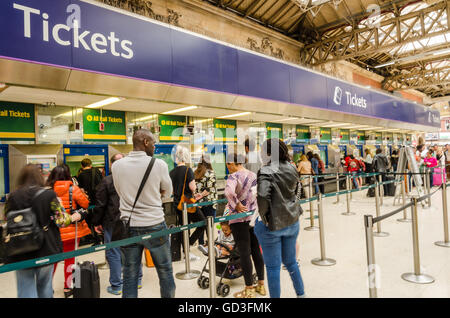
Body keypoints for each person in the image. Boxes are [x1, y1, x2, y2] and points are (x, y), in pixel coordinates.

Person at [112, 129, 175, 298]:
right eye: (153, 143)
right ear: (145, 142)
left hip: (128, 226)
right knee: (165, 270)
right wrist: (155, 194)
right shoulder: (159, 164)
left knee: (130, 274)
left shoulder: (117, 166)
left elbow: (120, 192)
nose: (155, 146)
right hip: (155, 224)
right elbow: (168, 193)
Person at [4, 164, 79, 298]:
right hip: (45, 248)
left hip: (19, 249)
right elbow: (62, 220)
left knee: (25, 287)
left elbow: (7, 219)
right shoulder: (48, 195)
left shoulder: (13, 196)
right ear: (39, 177)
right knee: (45, 286)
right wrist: (74, 216)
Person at [255, 139, 305, 298]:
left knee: (273, 267)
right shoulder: (292, 167)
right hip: (292, 221)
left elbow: (263, 196)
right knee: (291, 262)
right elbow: (296, 192)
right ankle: (301, 294)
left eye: (263, 152)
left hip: (273, 225)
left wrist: (264, 218)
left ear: (269, 154)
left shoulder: (266, 170)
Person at [92, 153, 143, 296]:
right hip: (133, 220)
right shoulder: (134, 180)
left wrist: (96, 222)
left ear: (112, 165)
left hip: (112, 221)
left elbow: (100, 204)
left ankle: (117, 286)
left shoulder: (107, 181)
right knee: (134, 249)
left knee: (113, 253)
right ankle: (137, 280)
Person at [46, 165, 90, 298]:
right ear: (67, 174)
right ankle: (68, 287)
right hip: (71, 230)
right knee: (70, 259)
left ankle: (47, 288)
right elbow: (86, 203)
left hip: (54, 231)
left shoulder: (48, 191)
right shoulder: (73, 189)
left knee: (52, 261)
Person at [225, 153, 265, 298]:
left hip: (239, 220)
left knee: (244, 252)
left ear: (233, 163)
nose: (227, 166)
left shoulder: (233, 176)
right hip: (253, 218)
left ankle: (249, 289)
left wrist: (236, 205)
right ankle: (261, 285)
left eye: (228, 163)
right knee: (256, 250)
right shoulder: (253, 175)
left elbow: (229, 191)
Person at [170, 146, 205, 260]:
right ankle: (188, 245)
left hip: (177, 204)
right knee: (203, 223)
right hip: (188, 204)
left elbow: (171, 190)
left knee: (184, 227)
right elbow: (192, 187)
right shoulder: (187, 170)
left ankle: (186, 252)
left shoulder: (172, 172)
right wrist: (195, 192)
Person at [76, 158, 104, 245]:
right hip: (99, 200)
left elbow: (81, 190)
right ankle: (103, 237)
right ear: (90, 164)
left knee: (90, 220)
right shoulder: (97, 171)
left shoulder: (81, 175)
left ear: (82, 165)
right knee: (99, 219)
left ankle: (95, 238)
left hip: (88, 202)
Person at [194, 154, 218, 246]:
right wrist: (201, 195)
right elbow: (209, 190)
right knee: (210, 224)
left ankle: (200, 243)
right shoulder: (211, 173)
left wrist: (197, 197)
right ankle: (210, 242)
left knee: (201, 223)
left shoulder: (195, 172)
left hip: (199, 204)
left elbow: (194, 189)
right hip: (210, 203)